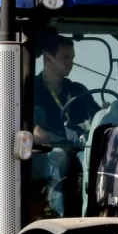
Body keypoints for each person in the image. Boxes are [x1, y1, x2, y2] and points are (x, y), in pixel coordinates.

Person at [31, 33, 97, 217]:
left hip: (81, 148)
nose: (71, 63)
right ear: (48, 58)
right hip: (47, 151)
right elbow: (36, 132)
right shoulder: (30, 89)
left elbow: (96, 118)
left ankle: (94, 214)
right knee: (59, 157)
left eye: (72, 58)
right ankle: (59, 215)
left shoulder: (78, 90)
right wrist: (62, 142)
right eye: (65, 57)